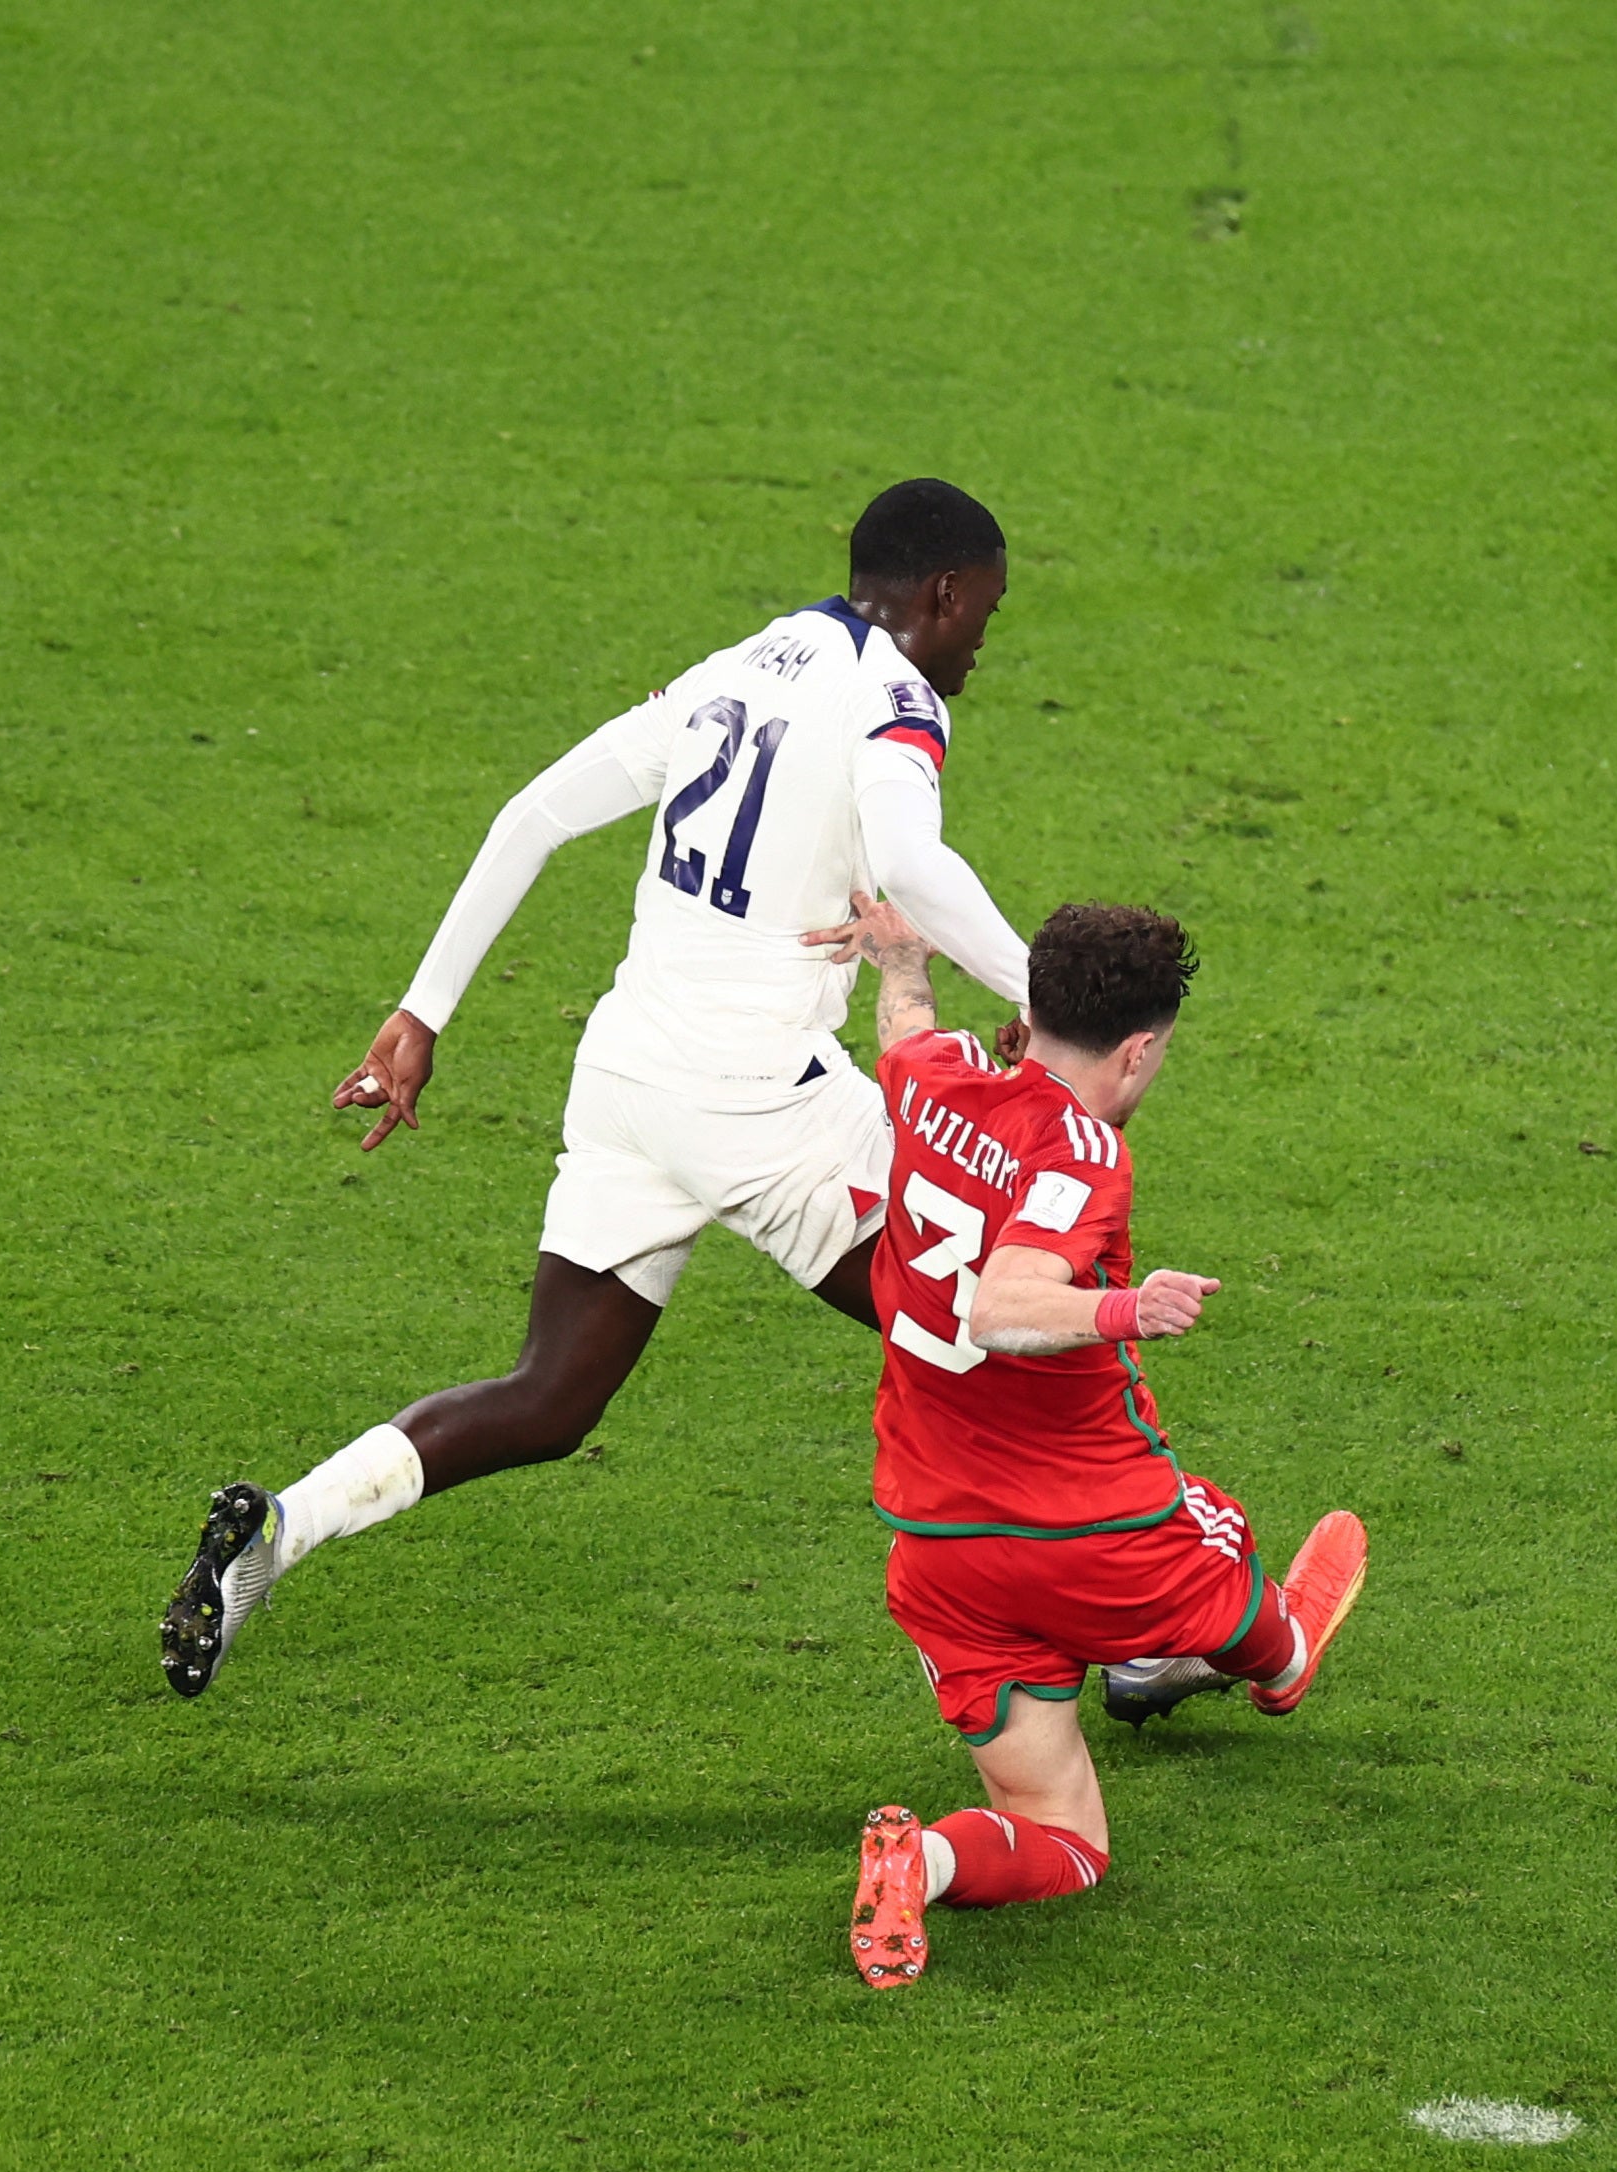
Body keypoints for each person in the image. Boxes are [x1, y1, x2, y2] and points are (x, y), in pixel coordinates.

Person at [160, 479, 1047, 1697]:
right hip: (760, 1099)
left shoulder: (729, 668)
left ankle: (283, 1525)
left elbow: (534, 815)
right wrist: (1044, 992)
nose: (984, 644)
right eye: (984, 614)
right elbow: (905, 856)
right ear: (941, 594)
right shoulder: (891, 694)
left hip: (629, 1078)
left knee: (550, 1394)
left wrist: (422, 1012)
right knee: (1009, 1322)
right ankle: (1152, 1629)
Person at [837, 895, 1368, 1987]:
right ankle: (1279, 1659)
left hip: (940, 1550)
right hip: (1101, 1533)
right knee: (1221, 1538)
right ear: (1137, 1050)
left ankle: (923, 1862)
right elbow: (1001, 1307)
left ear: (1027, 1015)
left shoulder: (937, 1076)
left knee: (1067, 1840)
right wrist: (1131, 1308)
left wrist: (899, 957)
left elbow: (902, 1028)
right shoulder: (1083, 1153)